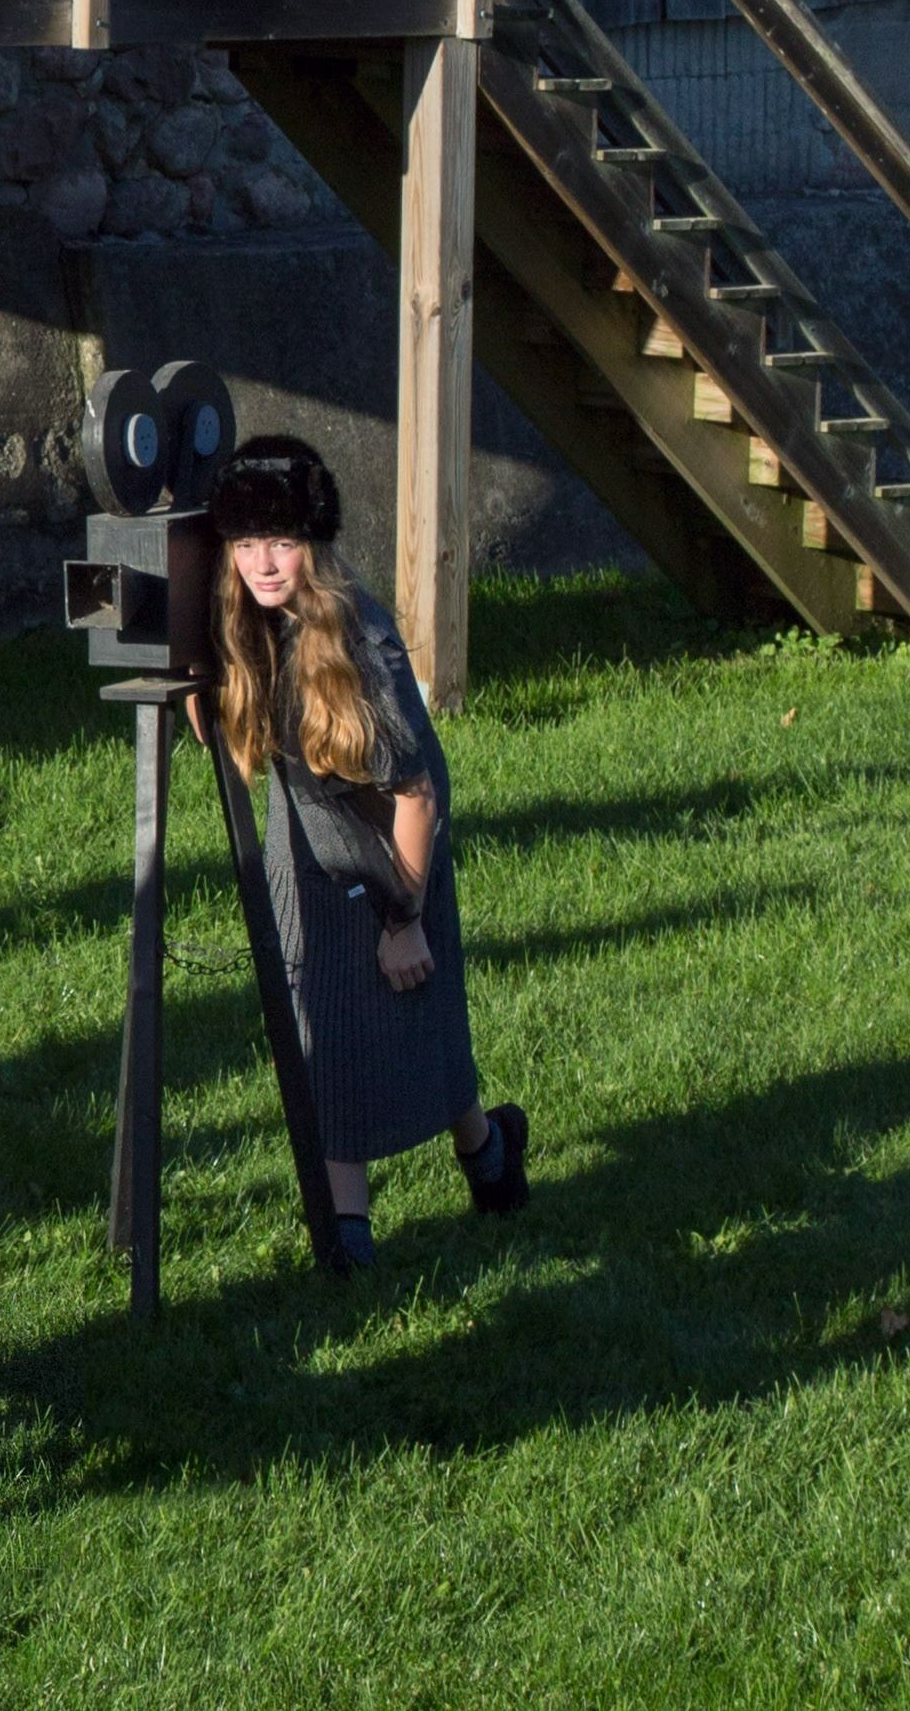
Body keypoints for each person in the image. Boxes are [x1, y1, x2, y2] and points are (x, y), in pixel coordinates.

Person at [203, 437, 529, 1269]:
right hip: (308, 845)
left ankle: (488, 1151)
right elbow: (227, 727)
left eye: (281, 541)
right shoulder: (249, 622)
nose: (262, 562)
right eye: (246, 542)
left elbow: (414, 793)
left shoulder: (358, 644)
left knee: (422, 1013)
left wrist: (404, 915)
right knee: (322, 1030)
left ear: (313, 543)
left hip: (393, 851)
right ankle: (347, 1233)